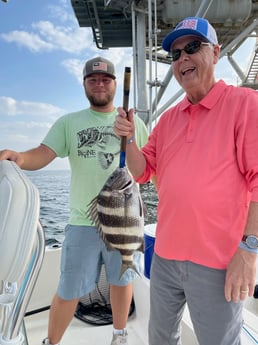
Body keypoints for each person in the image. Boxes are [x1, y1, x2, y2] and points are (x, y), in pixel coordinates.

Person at [114, 17, 258, 345]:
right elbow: (141, 170)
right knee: (161, 338)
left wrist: (249, 251)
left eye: (192, 47)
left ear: (216, 52)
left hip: (219, 261)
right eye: (175, 54)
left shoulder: (245, 104)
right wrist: (130, 138)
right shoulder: (167, 120)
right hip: (165, 256)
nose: (182, 59)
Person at [0, 56, 149, 345]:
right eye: (93, 79)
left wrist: (130, 138)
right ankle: (52, 341)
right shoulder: (69, 123)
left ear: (116, 83)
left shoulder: (134, 124)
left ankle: (119, 336)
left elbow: (146, 166)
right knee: (69, 289)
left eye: (106, 79)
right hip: (83, 221)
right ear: (84, 84)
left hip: (126, 218)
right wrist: (18, 157)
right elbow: (44, 153)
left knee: (123, 280)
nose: (99, 84)